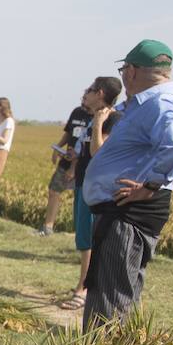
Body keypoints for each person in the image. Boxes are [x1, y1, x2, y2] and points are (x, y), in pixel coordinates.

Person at [80, 40, 173, 326]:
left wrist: (150, 185)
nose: (123, 75)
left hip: (128, 213)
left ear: (132, 71)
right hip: (121, 210)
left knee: (110, 299)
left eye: (124, 68)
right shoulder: (146, 103)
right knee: (117, 291)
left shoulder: (161, 104)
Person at [58, 76, 123, 311]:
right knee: (83, 238)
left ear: (102, 93)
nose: (88, 92)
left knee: (91, 241)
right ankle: (84, 285)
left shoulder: (113, 119)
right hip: (83, 183)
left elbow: (99, 151)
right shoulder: (92, 118)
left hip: (99, 191)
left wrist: (98, 124)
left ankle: (83, 290)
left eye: (92, 90)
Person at [37, 102, 93, 235]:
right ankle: (48, 227)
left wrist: (74, 168)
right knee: (54, 190)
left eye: (86, 96)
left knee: (80, 197)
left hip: (83, 164)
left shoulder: (97, 118)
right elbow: (68, 133)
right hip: (66, 159)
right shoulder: (77, 112)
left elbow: (86, 146)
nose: (84, 100)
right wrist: (58, 147)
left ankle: (79, 231)